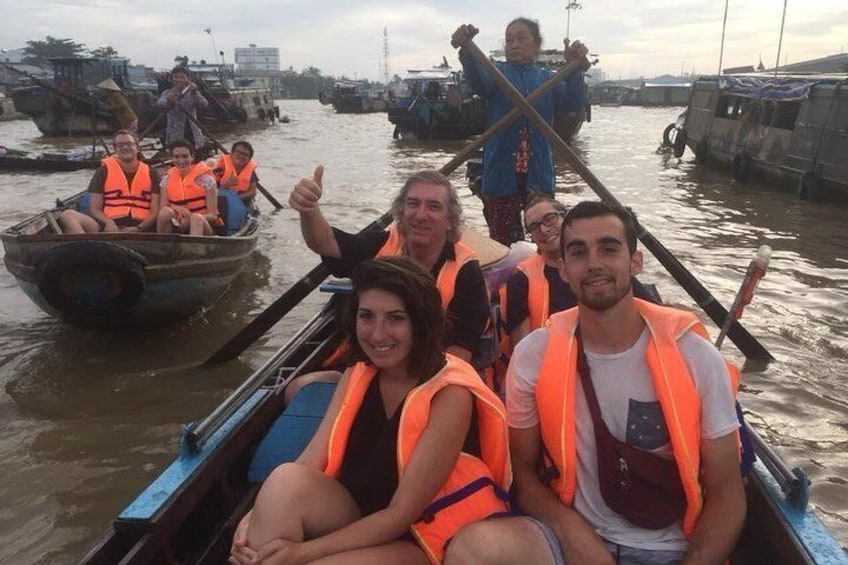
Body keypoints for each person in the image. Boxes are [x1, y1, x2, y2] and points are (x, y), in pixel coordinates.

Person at [445, 200, 746, 565]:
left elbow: (727, 492)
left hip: (670, 549)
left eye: (609, 248)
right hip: (574, 540)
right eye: (579, 252)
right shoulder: (534, 355)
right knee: (471, 550)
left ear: (635, 262)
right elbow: (523, 472)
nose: (594, 263)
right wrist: (572, 532)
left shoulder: (696, 357)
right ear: (564, 268)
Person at [230, 256, 511, 565]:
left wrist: (302, 553)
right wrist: (252, 518)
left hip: (417, 536)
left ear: (420, 323)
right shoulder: (357, 374)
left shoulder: (450, 395)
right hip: (359, 512)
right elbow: (310, 462)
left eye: (395, 318)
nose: (377, 335)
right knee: (284, 480)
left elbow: (401, 513)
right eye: (367, 316)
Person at [289, 166, 490, 364]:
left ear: (450, 220)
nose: (420, 215)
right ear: (401, 213)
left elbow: (460, 352)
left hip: (428, 372)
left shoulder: (467, 273)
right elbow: (325, 242)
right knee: (296, 387)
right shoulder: (378, 246)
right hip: (370, 360)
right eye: (413, 204)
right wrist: (309, 210)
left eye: (433, 206)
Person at [451, 19, 589, 245]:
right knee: (505, 245)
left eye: (521, 38)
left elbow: (573, 103)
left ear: (537, 45)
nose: (513, 44)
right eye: (509, 40)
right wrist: (467, 50)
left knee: (545, 240)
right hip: (500, 175)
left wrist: (574, 68)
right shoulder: (496, 73)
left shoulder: (548, 78)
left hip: (539, 177)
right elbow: (478, 82)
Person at [500, 194, 659, 360]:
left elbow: (653, 313)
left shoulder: (608, 272)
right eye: (534, 227)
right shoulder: (521, 281)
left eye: (550, 219)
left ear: (565, 219)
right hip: (556, 360)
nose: (544, 230)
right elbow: (522, 351)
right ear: (564, 271)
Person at [58, 129, 161, 234]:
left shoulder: (152, 173)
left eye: (129, 144)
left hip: (141, 227)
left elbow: (155, 212)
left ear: (137, 148)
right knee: (67, 216)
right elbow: (94, 209)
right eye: (120, 145)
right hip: (108, 226)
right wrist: (108, 223)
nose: (125, 147)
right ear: (115, 149)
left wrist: (138, 228)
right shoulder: (103, 171)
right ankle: (86, 247)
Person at [156, 139, 221, 236]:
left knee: (196, 218)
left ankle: (193, 249)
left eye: (185, 156)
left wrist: (190, 218)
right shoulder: (166, 180)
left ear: (192, 157)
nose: (181, 161)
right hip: (177, 223)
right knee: (165, 212)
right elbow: (163, 208)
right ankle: (163, 247)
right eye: (177, 157)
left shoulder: (207, 181)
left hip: (202, 225)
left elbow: (213, 215)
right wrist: (176, 208)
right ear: (172, 159)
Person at [157, 66, 208, 149]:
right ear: (172, 79)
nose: (179, 80)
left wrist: (195, 92)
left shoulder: (192, 93)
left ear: (187, 79)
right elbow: (160, 104)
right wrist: (168, 100)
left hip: (192, 131)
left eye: (182, 77)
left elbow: (204, 104)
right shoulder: (167, 93)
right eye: (176, 77)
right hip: (175, 133)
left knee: (194, 154)